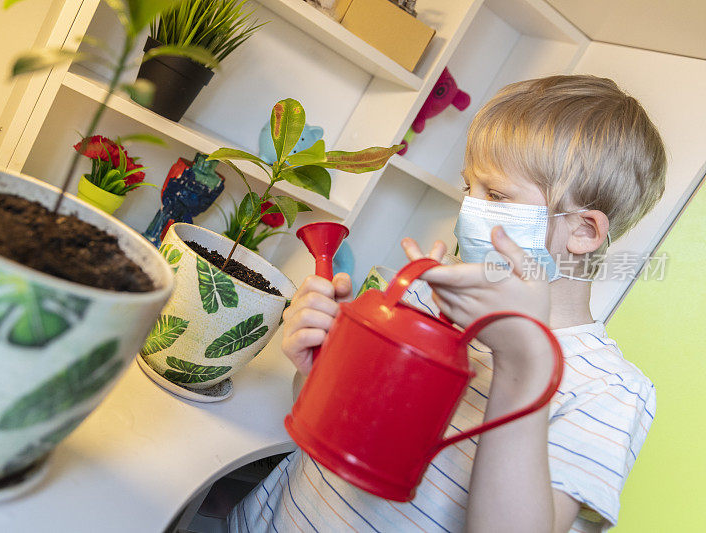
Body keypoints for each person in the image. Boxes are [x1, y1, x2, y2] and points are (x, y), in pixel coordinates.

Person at [228, 75, 665, 532]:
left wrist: (521, 363)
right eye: (468, 187)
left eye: (495, 195)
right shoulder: (427, 294)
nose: (468, 210)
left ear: (584, 231)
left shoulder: (609, 392)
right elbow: (325, 425)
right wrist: (320, 368)